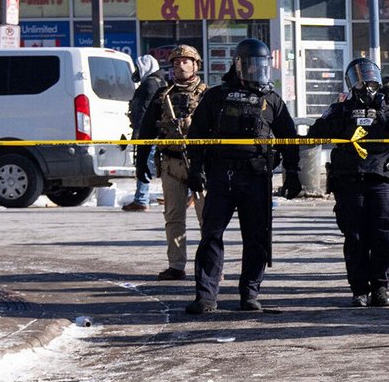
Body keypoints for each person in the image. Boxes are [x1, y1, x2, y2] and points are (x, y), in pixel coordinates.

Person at [183, 38, 299, 315]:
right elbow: (196, 135)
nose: (256, 71)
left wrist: (293, 173)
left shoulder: (271, 100)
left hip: (256, 175)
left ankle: (249, 293)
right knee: (211, 235)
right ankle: (206, 296)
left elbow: (290, 138)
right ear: (238, 65)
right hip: (222, 175)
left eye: (261, 66)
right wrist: (195, 169)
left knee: (257, 236)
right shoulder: (216, 96)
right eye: (250, 65)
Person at [308, 59, 389, 306]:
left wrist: (385, 112)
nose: (365, 85)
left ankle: (380, 287)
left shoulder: (386, 107)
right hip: (350, 180)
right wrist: (341, 113)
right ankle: (359, 289)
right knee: (355, 236)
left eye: (369, 78)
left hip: (382, 179)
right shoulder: (341, 109)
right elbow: (315, 134)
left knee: (385, 232)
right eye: (359, 79)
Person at [139, 44, 205, 281]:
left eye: (186, 61)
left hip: (202, 165)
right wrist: (141, 161)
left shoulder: (208, 95)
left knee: (207, 218)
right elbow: (146, 130)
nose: (180, 65)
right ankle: (176, 266)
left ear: (196, 64)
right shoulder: (162, 96)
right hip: (171, 163)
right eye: (176, 62)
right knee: (174, 217)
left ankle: (210, 268)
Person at [124, 54, 165, 211]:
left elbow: (144, 110)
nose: (136, 71)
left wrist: (139, 131)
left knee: (146, 163)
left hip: (148, 132)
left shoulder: (150, 84)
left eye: (138, 68)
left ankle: (141, 199)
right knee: (155, 164)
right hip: (156, 130)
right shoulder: (158, 81)